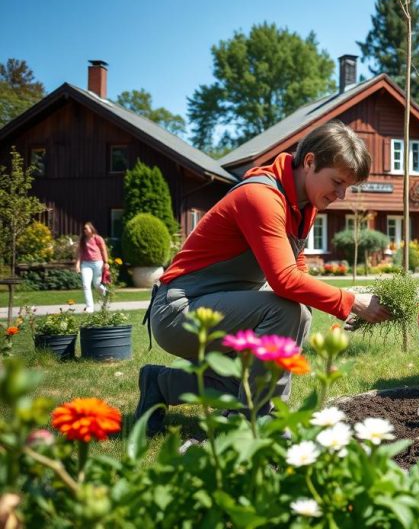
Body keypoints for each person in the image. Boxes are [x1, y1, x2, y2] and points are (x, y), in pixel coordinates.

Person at [134, 120, 390, 434]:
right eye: (337, 182)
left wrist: (344, 308)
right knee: (284, 310)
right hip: (178, 311)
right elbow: (284, 280)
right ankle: (260, 421)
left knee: (252, 369)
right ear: (309, 162)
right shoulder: (262, 198)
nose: (341, 194)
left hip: (216, 309)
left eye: (347, 186)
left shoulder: (301, 204)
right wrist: (352, 302)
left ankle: (160, 384)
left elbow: (296, 271)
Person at [74, 222, 108, 313]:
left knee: (96, 284)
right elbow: (79, 253)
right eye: (84, 229)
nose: (85, 230)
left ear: (91, 229)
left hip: (98, 263)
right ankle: (89, 307)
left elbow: (103, 250)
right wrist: (77, 264)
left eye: (86, 228)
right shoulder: (82, 240)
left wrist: (106, 262)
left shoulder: (98, 238)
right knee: (86, 284)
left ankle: (105, 292)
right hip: (86, 264)